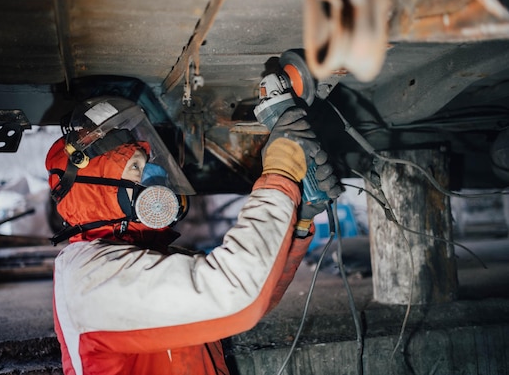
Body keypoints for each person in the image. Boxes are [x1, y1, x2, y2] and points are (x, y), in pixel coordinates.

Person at [45, 96, 341, 375]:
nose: (153, 176)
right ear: (95, 183)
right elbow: (235, 294)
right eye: (135, 166)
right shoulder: (88, 276)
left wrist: (297, 222)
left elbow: (258, 291)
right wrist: (281, 174)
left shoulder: (147, 256)